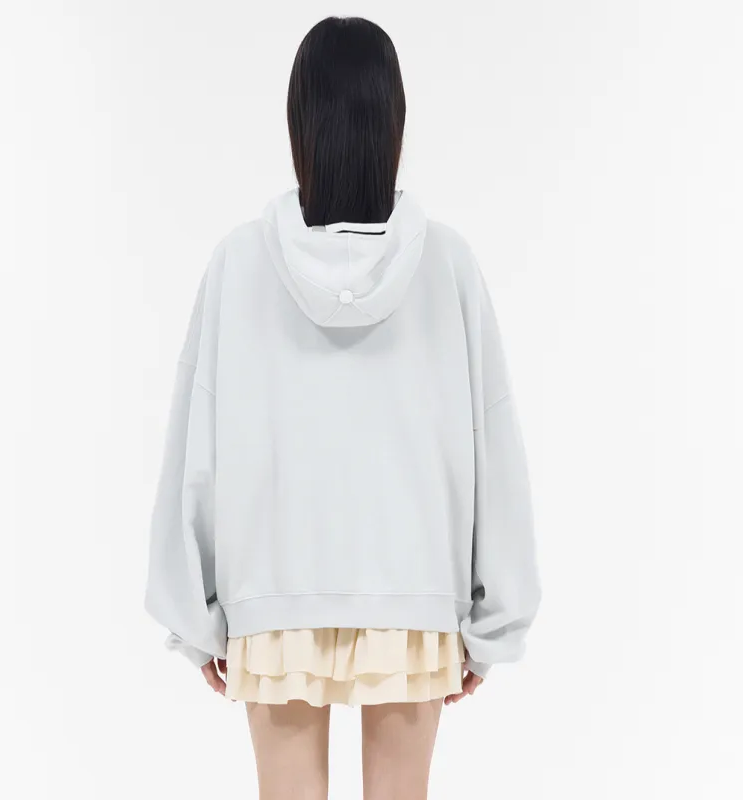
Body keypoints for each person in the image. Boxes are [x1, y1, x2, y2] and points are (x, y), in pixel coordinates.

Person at [144, 15, 540, 800]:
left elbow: (197, 445)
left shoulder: (240, 263)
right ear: (394, 121)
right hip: (414, 590)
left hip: (274, 591)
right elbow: (492, 447)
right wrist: (494, 619)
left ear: (300, 122)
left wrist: (198, 615)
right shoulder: (447, 264)